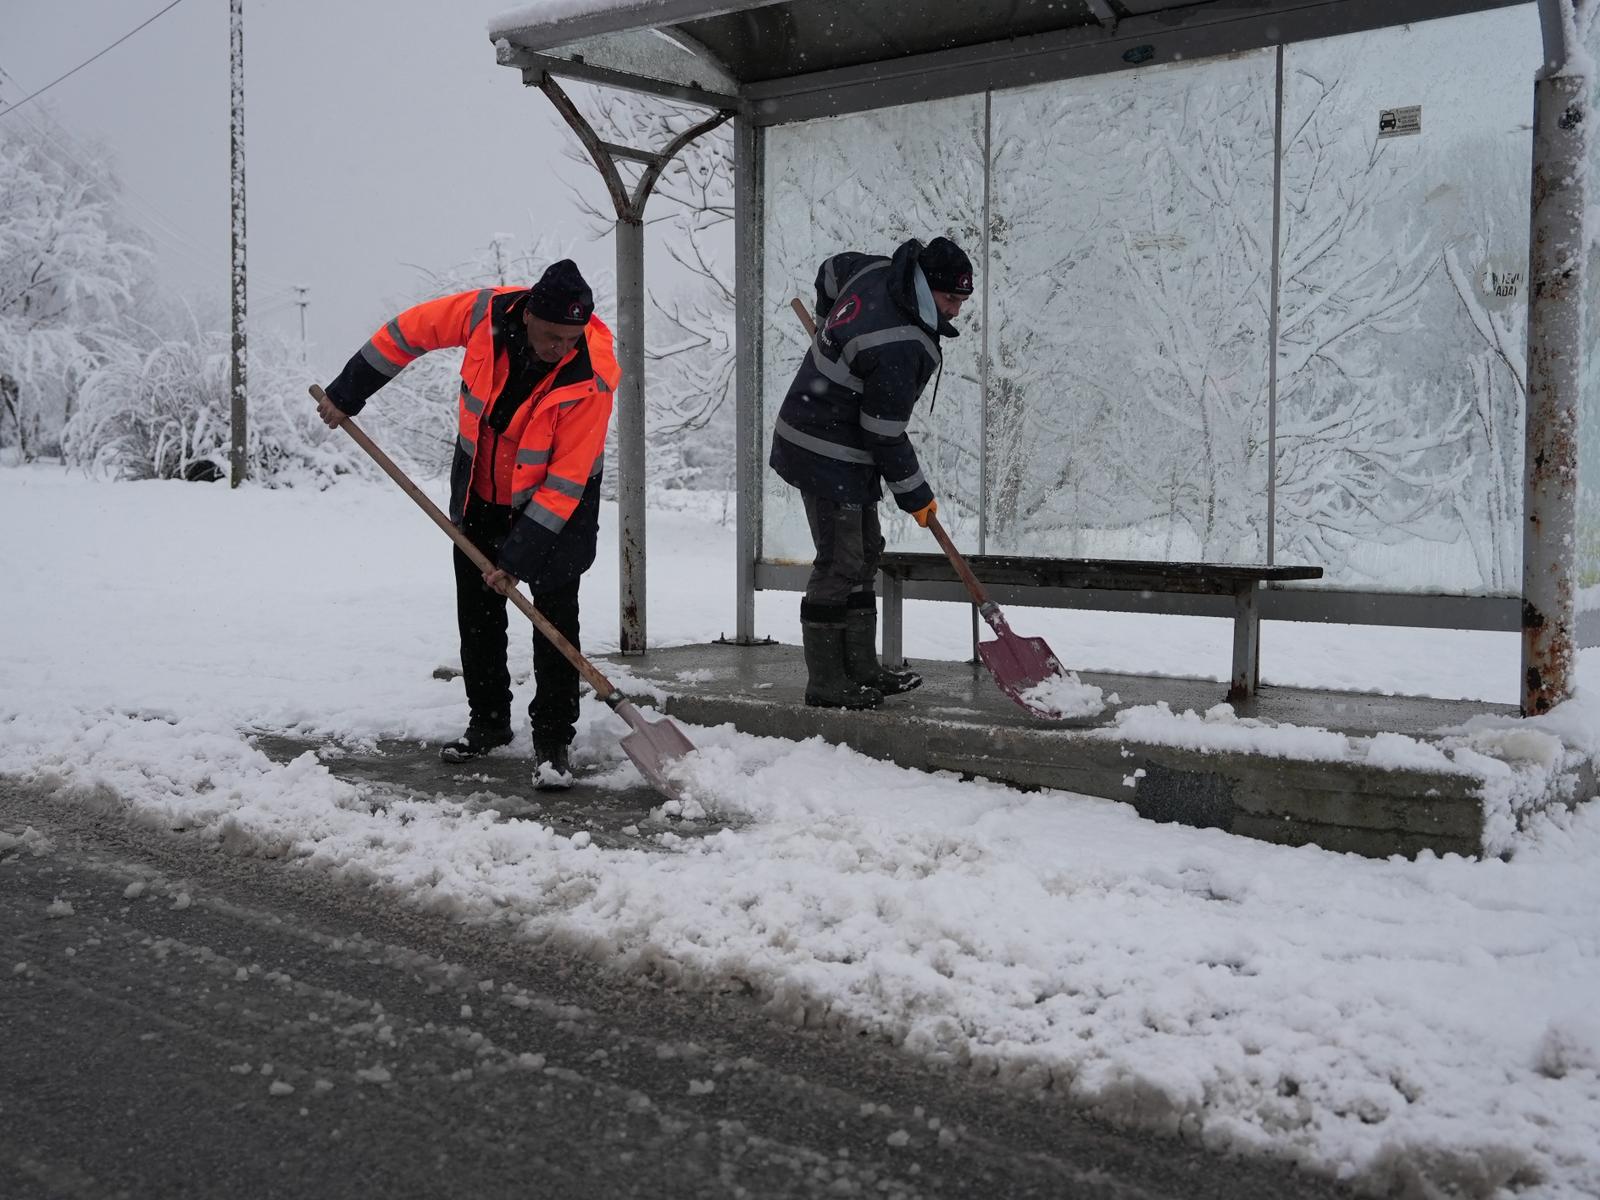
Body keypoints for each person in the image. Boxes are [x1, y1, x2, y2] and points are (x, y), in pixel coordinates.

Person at [315, 260, 619, 786]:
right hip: (481, 487)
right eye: (550, 336)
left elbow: (563, 484)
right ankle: (489, 723)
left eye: (570, 339)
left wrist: (516, 560)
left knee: (554, 619)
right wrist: (347, 392)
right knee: (477, 612)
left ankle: (553, 737)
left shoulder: (590, 377)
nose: (559, 348)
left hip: (557, 511)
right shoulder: (485, 313)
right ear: (527, 316)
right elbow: (406, 333)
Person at [769, 236, 974, 709]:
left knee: (865, 551)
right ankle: (826, 681)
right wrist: (916, 496)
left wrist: (829, 326)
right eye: (949, 299)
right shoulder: (902, 344)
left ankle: (861, 667)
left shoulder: (877, 269)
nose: (956, 312)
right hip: (821, 444)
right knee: (840, 560)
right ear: (925, 284)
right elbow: (884, 433)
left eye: (962, 301)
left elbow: (831, 269)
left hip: (846, 438)